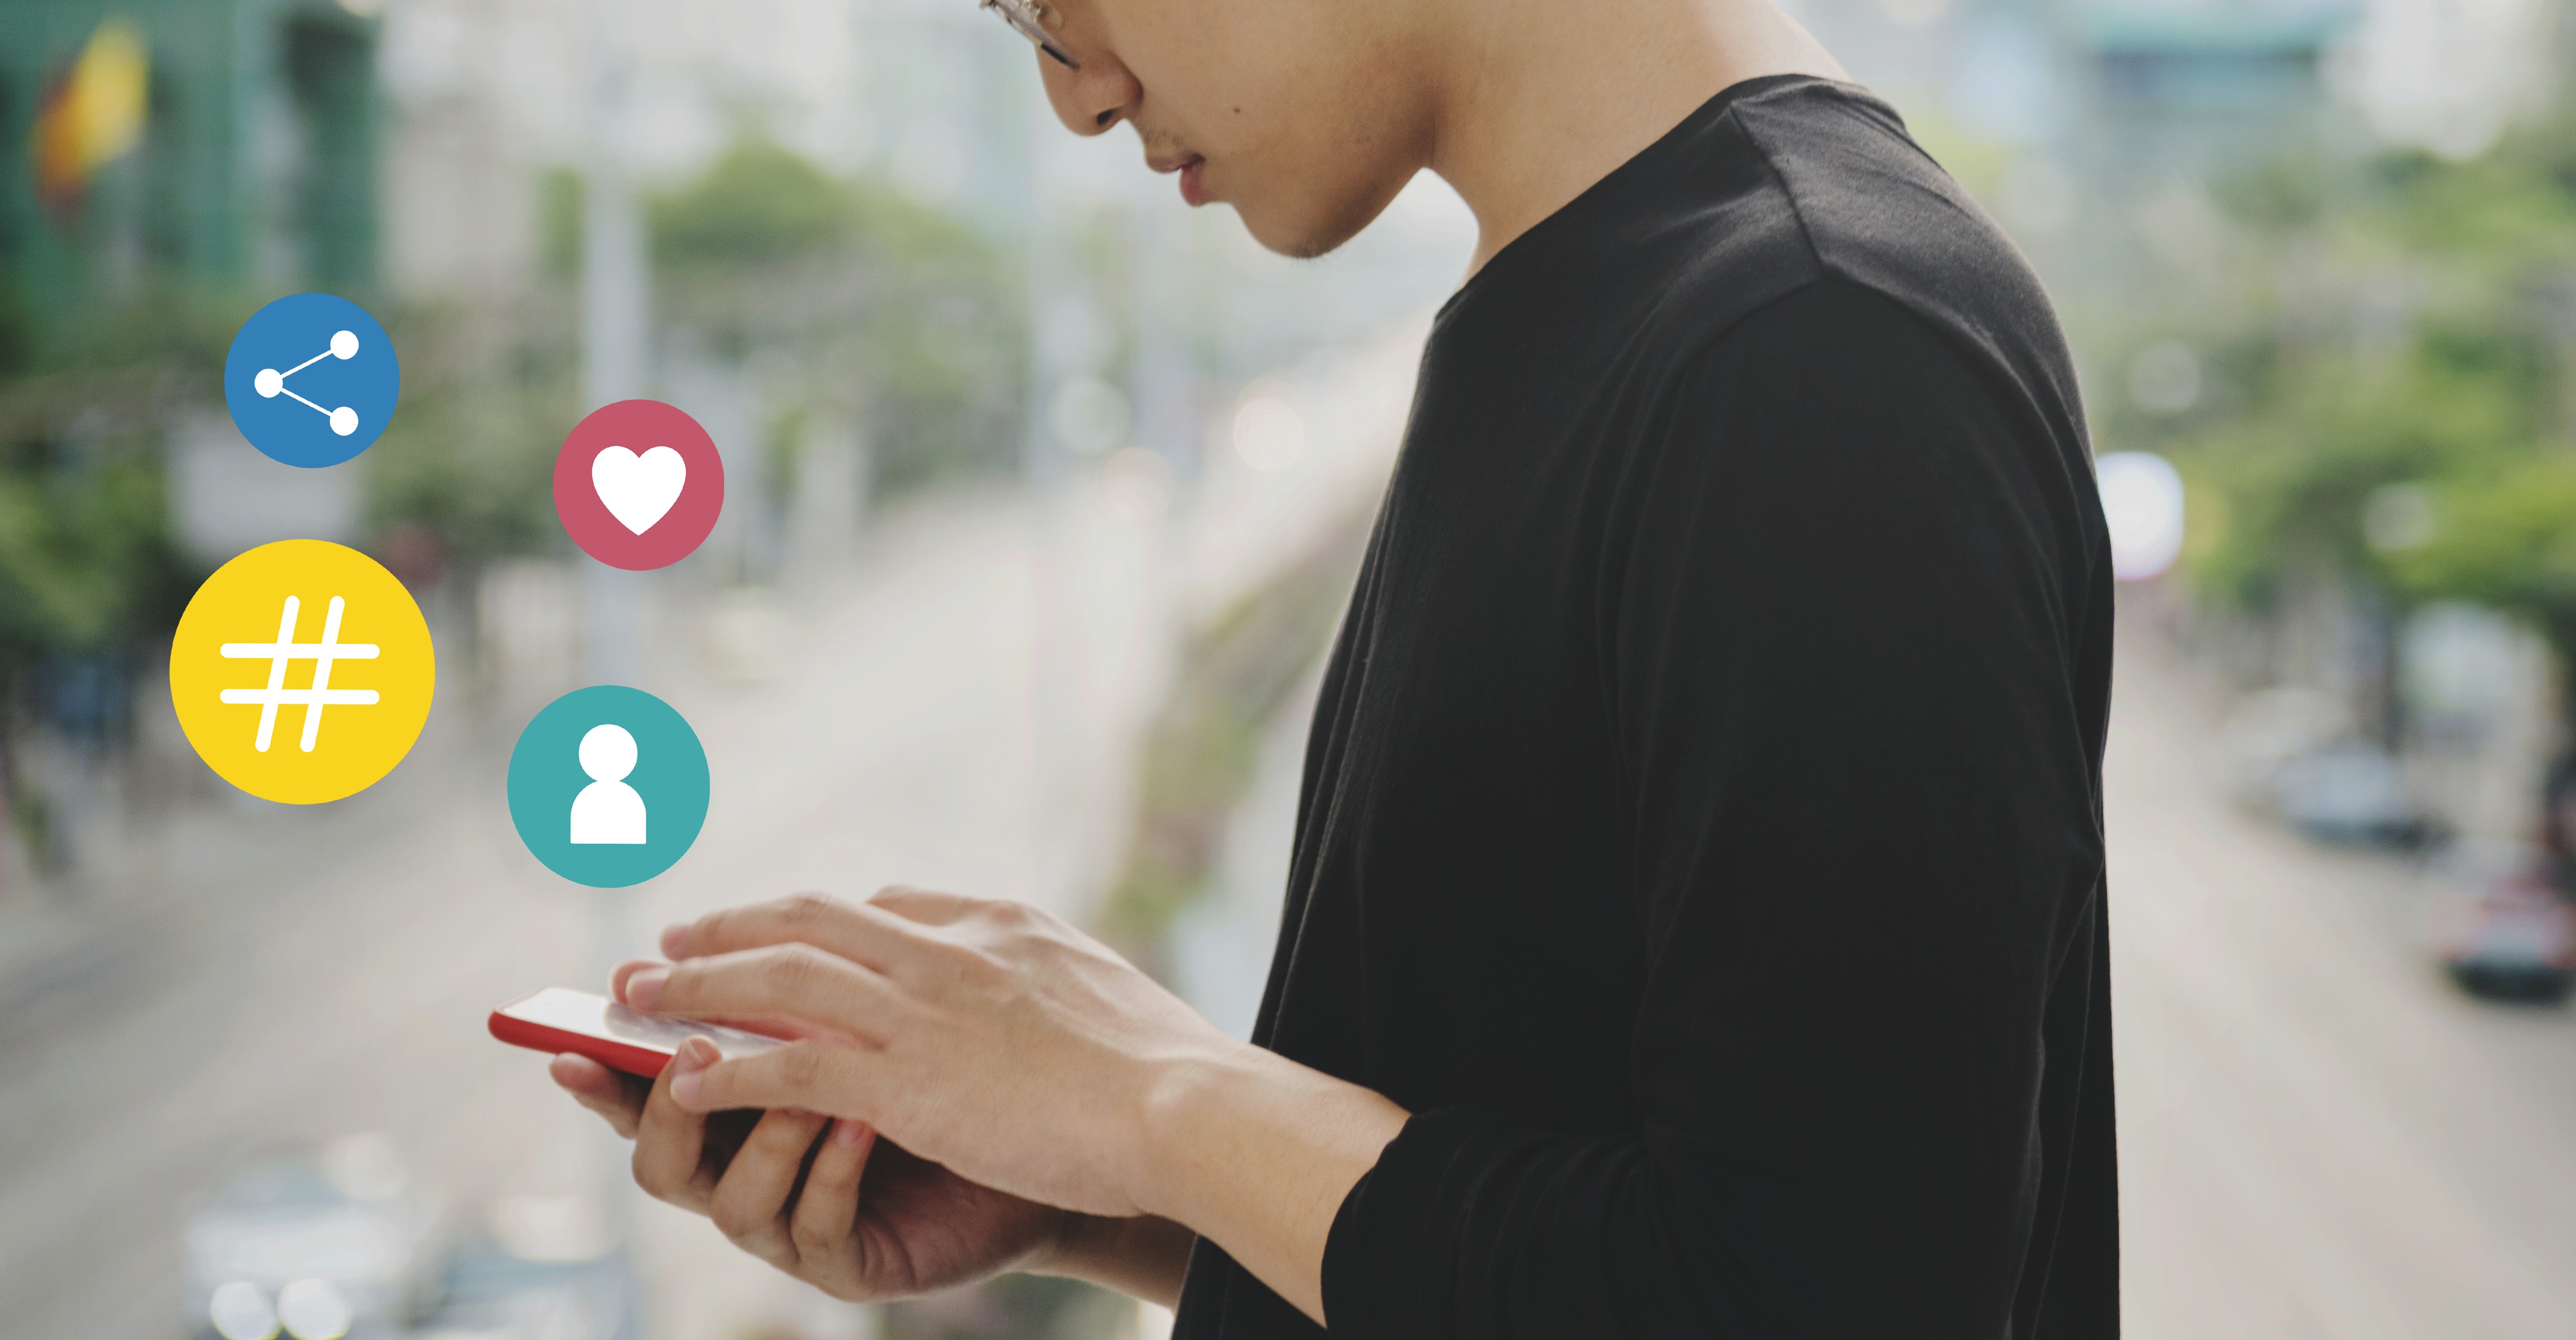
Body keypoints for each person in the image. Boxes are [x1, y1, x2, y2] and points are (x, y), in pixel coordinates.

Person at [551, 0, 2119, 1334]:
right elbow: (1557, 1222)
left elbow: (1807, 1299)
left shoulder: (1820, 349)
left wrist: (1153, 1098)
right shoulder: (1604, 308)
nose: (1077, 94)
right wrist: (1101, 1189)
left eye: (1052, 0)